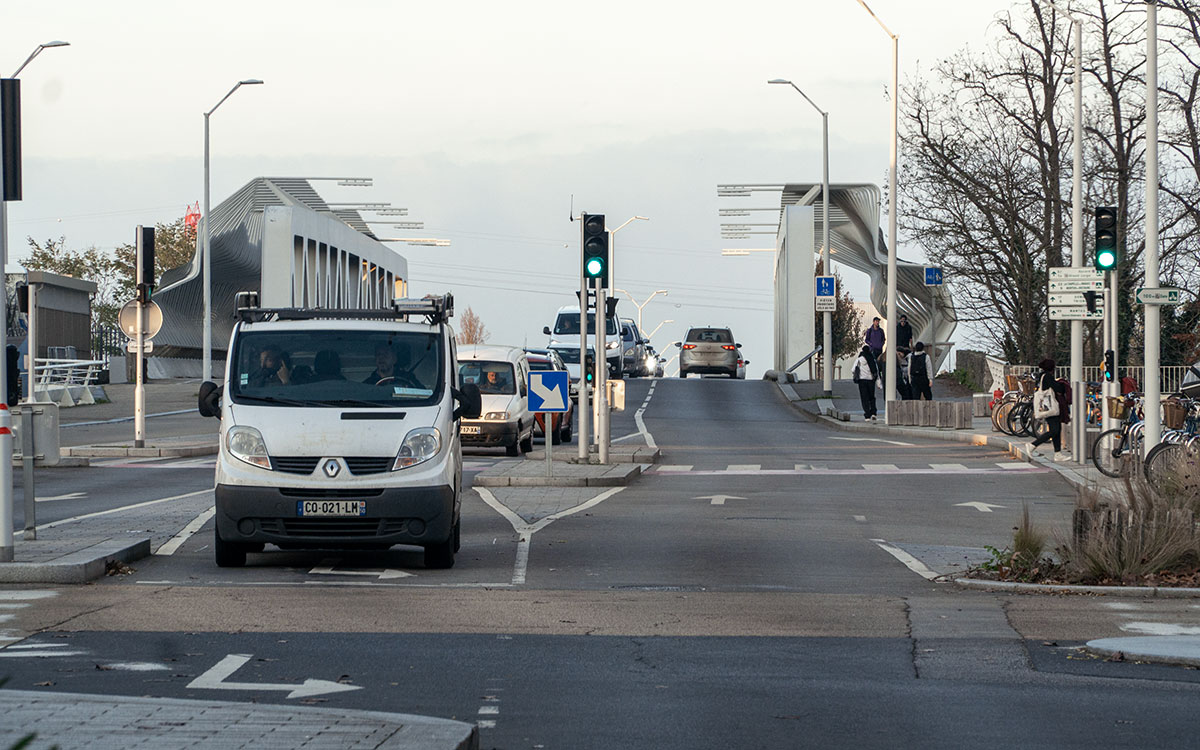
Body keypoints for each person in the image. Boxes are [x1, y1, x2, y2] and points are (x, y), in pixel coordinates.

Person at [1028, 358, 1069, 461]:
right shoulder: (1047, 377)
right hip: (1050, 407)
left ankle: (1058, 453)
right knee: (1054, 430)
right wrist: (1062, 384)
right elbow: (1058, 388)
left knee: (1057, 429)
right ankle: (1032, 445)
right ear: (1052, 368)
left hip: (1049, 407)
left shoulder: (1042, 376)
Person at [852, 345, 879, 422]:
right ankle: (873, 412)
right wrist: (878, 382)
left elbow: (853, 369)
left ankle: (867, 415)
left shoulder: (859, 360)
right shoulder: (872, 359)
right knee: (872, 397)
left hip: (862, 381)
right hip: (871, 380)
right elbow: (876, 370)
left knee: (864, 398)